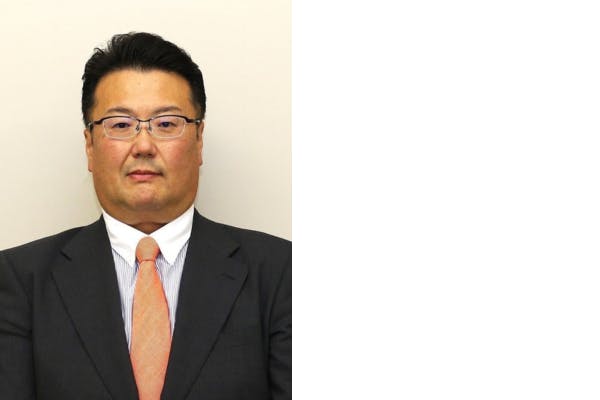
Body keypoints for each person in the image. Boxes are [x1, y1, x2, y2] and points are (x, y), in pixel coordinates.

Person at [0, 32, 291, 400]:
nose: (143, 146)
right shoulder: (18, 281)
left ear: (199, 139)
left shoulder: (282, 273)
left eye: (166, 123)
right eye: (120, 125)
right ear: (89, 146)